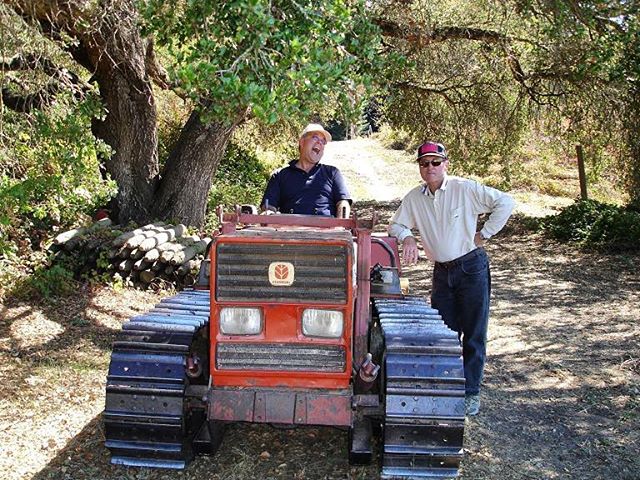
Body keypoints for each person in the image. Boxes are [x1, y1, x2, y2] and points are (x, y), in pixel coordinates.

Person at [388, 141, 515, 416]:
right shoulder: (415, 197)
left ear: (446, 163)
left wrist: (486, 233)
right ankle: (444, 387)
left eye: (436, 162)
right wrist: (407, 236)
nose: (430, 167)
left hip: (471, 267)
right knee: (443, 334)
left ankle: (470, 393)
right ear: (420, 168)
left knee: (473, 332)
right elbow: (396, 224)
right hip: (442, 272)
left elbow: (505, 202)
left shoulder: (464, 188)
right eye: (425, 163)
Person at [261, 123, 351, 218]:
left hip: (327, 230)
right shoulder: (280, 175)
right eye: (315, 138)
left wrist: (341, 226)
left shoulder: (332, 173)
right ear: (302, 142)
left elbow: (343, 203)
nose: (320, 143)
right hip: (288, 230)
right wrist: (268, 213)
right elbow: (269, 206)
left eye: (323, 141)